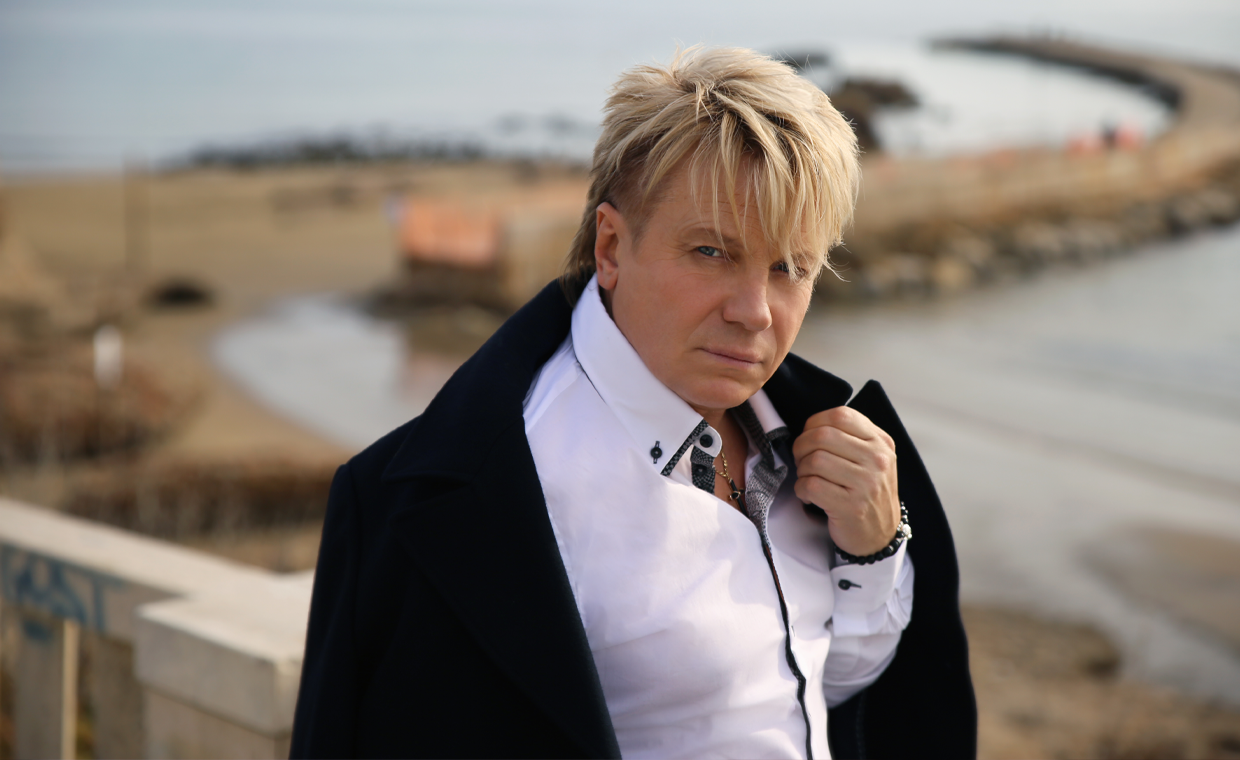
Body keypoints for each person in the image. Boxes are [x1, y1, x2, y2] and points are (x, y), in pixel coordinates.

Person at [290, 47, 975, 759]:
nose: (754, 312)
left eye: (789, 267)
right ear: (612, 247)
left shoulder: (822, 437)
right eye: (712, 252)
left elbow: (820, 689)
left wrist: (874, 553)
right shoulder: (455, 499)